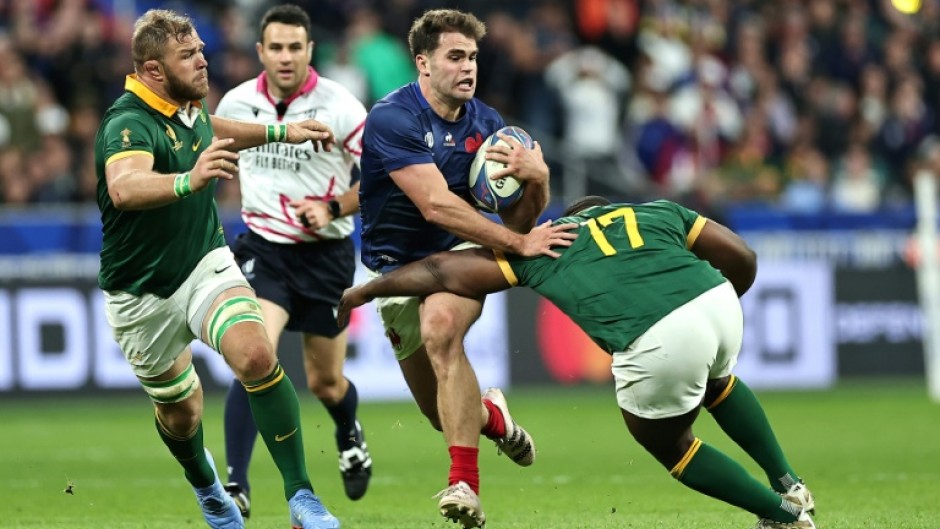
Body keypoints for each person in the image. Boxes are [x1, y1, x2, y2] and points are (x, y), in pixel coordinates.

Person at [338, 196, 818, 529]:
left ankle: (783, 513)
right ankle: (790, 482)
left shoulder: (552, 244)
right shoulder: (656, 211)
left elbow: (442, 270)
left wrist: (365, 290)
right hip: (716, 302)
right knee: (717, 382)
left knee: (671, 444)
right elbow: (744, 256)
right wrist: (713, 304)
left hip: (658, 336)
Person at [94, 9, 340, 529]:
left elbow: (211, 126)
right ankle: (207, 487)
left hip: (204, 262)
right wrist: (189, 179)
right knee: (182, 414)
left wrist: (282, 131)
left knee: (254, 354)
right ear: (154, 71)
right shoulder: (127, 123)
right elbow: (125, 187)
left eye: (201, 50)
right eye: (189, 56)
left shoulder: (186, 103)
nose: (204, 61)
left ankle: (302, 498)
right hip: (140, 295)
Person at [357, 8, 577, 528]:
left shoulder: (491, 126)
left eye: (473, 57)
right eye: (455, 56)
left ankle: (464, 486)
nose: (468, 67)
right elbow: (435, 203)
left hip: (459, 255)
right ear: (423, 64)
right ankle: (492, 418)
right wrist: (517, 241)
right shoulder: (393, 118)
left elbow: (515, 216)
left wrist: (538, 180)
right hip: (396, 269)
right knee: (443, 414)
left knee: (441, 331)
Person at [213, 5, 371, 516]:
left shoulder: (341, 106)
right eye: (275, 47)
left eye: (294, 47)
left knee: (326, 382)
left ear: (309, 50)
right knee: (254, 357)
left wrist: (332, 207)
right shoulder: (236, 103)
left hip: (326, 256)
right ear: (260, 52)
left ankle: (348, 431)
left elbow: (387, 176)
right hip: (264, 252)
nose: (285, 57)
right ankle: (237, 487)